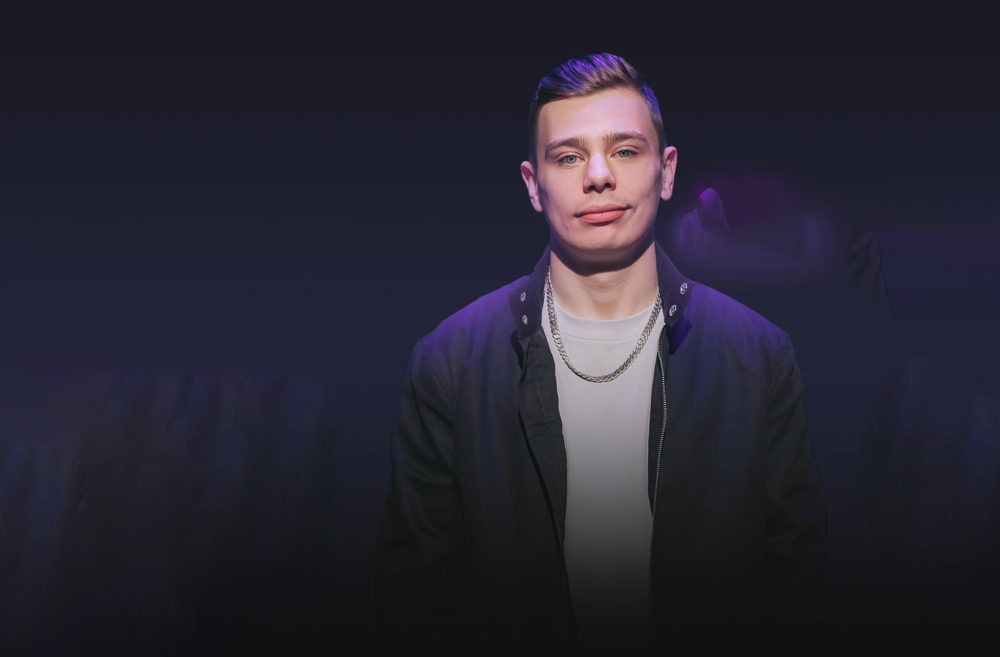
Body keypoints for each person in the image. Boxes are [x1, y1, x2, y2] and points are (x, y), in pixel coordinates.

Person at [375, 52, 827, 651]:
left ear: (666, 171)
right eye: (568, 156)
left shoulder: (757, 355)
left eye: (625, 150)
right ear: (533, 185)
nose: (598, 176)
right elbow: (418, 601)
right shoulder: (451, 362)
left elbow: (795, 585)